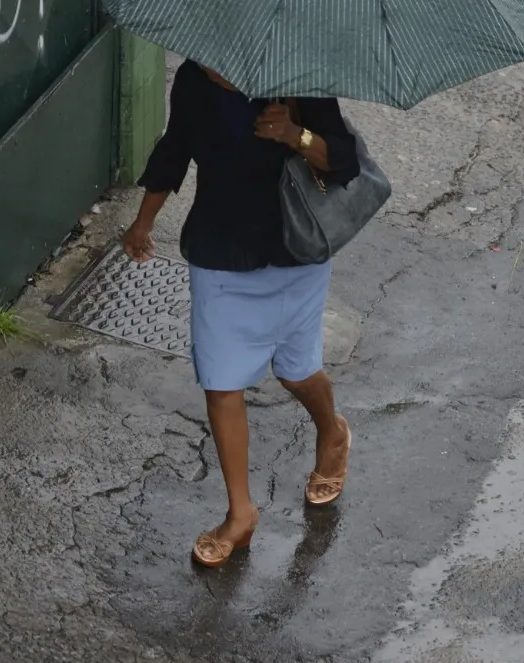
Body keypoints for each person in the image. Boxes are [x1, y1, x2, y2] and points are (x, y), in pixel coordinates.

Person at [123, 60, 361, 567]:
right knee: (220, 380)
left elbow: (343, 161)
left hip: (293, 251)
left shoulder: (301, 76)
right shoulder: (192, 81)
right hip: (220, 251)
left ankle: (332, 431)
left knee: (297, 372)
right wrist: (143, 221)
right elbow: (174, 150)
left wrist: (294, 135)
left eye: (218, 63)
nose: (209, 66)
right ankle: (240, 514)